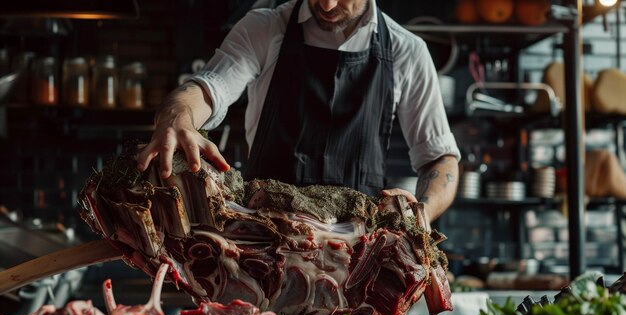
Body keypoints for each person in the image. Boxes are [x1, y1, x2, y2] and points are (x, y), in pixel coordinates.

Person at [136, 0, 461, 221]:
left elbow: (440, 159)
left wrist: (421, 213)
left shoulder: (408, 51)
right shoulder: (264, 29)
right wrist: (178, 117)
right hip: (263, 251)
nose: (328, 5)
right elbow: (205, 89)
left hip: (356, 263)